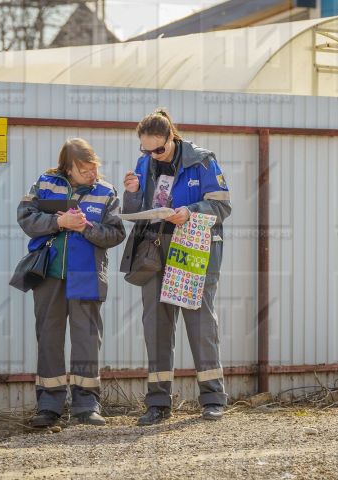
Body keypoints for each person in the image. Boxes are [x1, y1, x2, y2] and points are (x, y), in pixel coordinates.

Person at [120, 108, 232, 425]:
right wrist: (132, 193)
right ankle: (157, 403)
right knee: (156, 326)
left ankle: (212, 399)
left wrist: (190, 211)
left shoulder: (203, 161)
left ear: (172, 138)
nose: (152, 155)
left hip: (192, 248)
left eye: (158, 149)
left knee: (200, 325)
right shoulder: (144, 163)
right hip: (154, 249)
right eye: (146, 150)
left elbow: (222, 205)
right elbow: (133, 211)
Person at [17, 138, 125, 427]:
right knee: (49, 339)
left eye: (94, 168)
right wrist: (59, 223)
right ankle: (49, 406)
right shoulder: (46, 184)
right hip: (48, 275)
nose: (92, 174)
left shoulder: (106, 192)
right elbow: (26, 218)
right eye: (84, 170)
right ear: (68, 167)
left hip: (88, 276)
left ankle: (86, 405)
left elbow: (116, 234)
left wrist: (87, 228)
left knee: (86, 341)